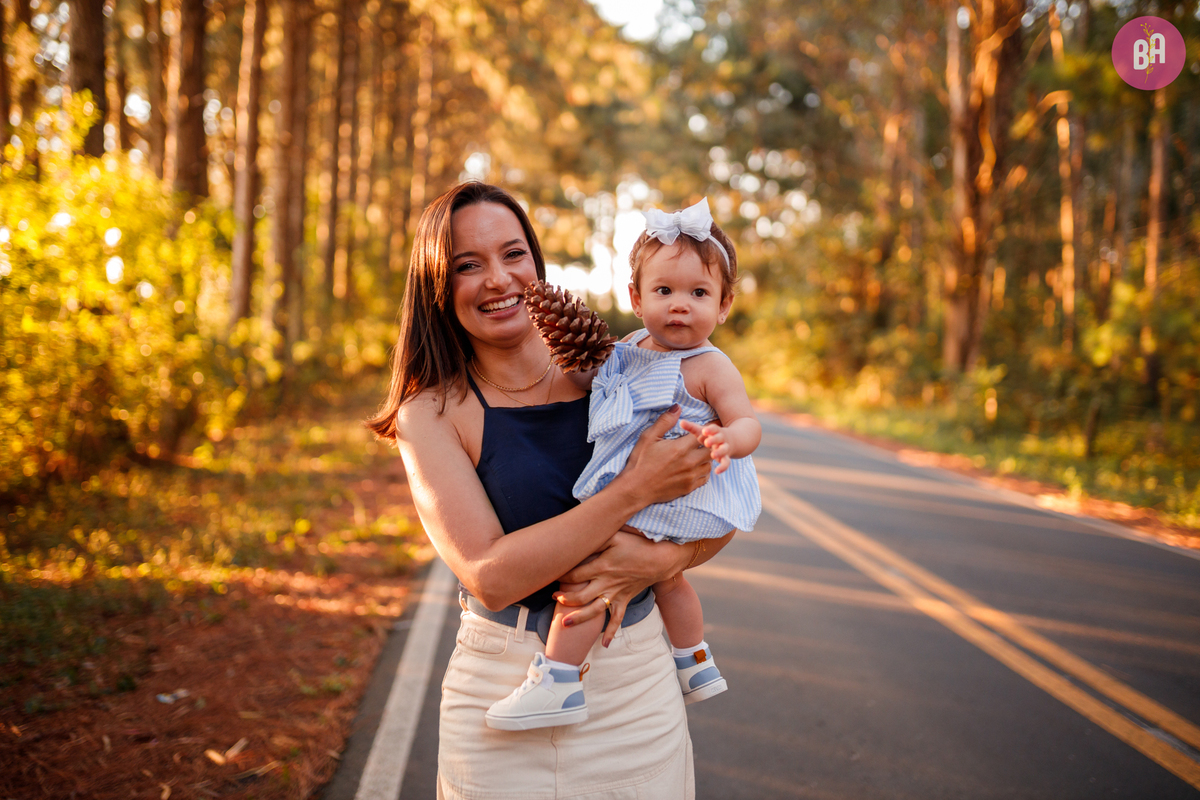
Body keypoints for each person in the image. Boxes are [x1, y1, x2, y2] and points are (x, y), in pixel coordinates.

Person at [367, 181, 732, 799]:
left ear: (536, 262)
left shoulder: (619, 366)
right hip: (501, 689)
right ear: (436, 285)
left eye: (513, 254)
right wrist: (633, 490)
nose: (498, 279)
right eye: (466, 265)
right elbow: (492, 574)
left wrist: (662, 559)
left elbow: (716, 503)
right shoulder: (430, 413)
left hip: (634, 685)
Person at [485, 198, 761, 731]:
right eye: (664, 291)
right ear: (636, 299)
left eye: (698, 293)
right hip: (649, 485)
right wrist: (580, 366)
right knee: (668, 580)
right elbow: (602, 383)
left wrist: (729, 440)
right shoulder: (631, 345)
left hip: (679, 490)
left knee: (590, 567)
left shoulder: (710, 366)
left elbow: (748, 422)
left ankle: (560, 679)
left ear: (724, 305)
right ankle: (694, 660)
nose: (680, 305)